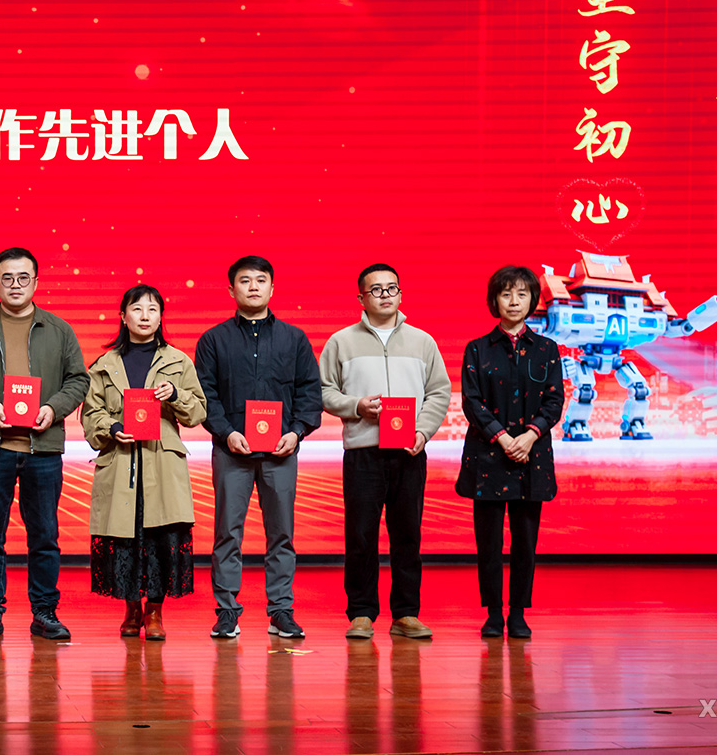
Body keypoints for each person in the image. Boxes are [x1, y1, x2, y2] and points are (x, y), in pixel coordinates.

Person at [0, 248, 87, 641]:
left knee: (45, 535)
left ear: (36, 282)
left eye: (24, 277)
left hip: (43, 447)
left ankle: (45, 612)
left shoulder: (59, 330)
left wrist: (53, 408)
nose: (16, 285)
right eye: (7, 278)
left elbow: (78, 380)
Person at [319, 264, 451, 641]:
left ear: (401, 294)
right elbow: (323, 391)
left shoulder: (423, 341)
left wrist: (423, 432)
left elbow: (439, 391)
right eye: (375, 290)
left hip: (409, 451)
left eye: (392, 288)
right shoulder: (341, 342)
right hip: (363, 452)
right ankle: (361, 613)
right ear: (361, 298)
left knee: (407, 534)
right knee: (361, 534)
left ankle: (406, 613)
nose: (385, 295)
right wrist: (356, 406)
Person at [195, 255, 322, 640]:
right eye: (245, 280)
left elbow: (309, 392)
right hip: (232, 451)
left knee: (281, 534)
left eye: (261, 280)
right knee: (227, 533)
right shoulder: (213, 340)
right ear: (231, 289)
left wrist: (296, 432)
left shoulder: (294, 339)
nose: (253, 286)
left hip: (281, 452)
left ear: (272, 288)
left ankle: (281, 610)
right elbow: (205, 394)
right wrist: (226, 432)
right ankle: (227, 611)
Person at [81, 285, 209, 641]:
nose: (145, 316)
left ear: (161, 317)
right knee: (126, 538)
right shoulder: (104, 365)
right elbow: (91, 414)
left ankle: (154, 611)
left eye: (153, 309)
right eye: (137, 309)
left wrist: (177, 395)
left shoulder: (178, 361)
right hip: (121, 461)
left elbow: (199, 412)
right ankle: (132, 610)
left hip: (161, 463)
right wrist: (112, 428)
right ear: (123, 316)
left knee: (159, 539)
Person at [459, 265, 564, 639]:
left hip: (530, 458)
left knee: (525, 542)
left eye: (522, 294)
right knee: (487, 543)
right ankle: (492, 614)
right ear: (494, 301)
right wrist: (503, 438)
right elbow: (472, 402)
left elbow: (554, 401)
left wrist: (530, 436)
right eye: (506, 294)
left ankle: (518, 613)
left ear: (533, 301)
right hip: (489, 456)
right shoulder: (477, 349)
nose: (514, 301)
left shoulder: (547, 349)